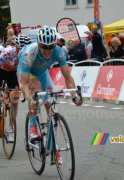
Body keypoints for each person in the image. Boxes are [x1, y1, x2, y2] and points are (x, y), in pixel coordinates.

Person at [17, 26, 82, 162]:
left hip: (43, 73)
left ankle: (52, 145)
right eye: (44, 47)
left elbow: (67, 77)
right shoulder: (29, 53)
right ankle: (33, 127)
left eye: (50, 47)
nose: (47, 51)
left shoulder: (59, 52)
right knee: (35, 90)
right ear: (39, 44)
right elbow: (25, 85)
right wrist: (30, 100)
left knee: (51, 106)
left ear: (55, 45)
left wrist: (75, 96)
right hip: (27, 74)